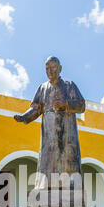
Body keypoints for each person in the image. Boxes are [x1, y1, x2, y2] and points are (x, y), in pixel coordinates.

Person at [14, 56, 85, 190]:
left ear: (60, 69)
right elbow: (36, 108)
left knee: (68, 158)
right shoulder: (43, 88)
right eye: (47, 68)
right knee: (47, 160)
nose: (50, 71)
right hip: (48, 133)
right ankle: (46, 188)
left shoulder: (69, 85)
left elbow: (81, 105)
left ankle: (70, 188)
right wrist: (24, 117)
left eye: (53, 68)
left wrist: (65, 104)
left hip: (66, 132)